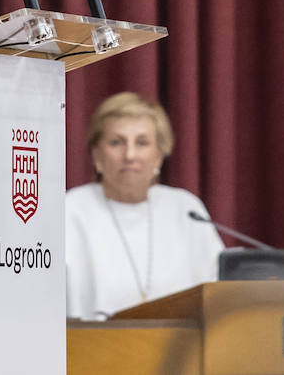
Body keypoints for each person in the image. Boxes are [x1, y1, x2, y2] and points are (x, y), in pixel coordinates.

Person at [64, 92, 224, 320]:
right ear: (97, 155)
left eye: (142, 143)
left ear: (158, 156)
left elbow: (218, 292)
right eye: (116, 142)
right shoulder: (70, 210)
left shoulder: (186, 209)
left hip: (180, 350)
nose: (130, 155)